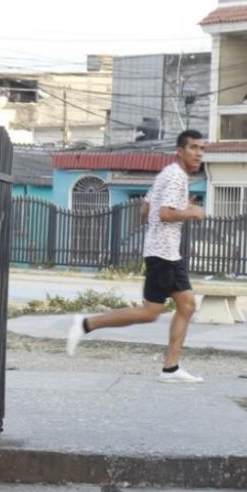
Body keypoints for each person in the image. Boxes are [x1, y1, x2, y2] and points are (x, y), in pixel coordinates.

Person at [65, 130, 207, 384]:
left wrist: (173, 217)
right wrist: (192, 212)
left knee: (186, 306)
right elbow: (164, 213)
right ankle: (86, 324)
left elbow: (145, 209)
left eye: (202, 148)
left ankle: (171, 368)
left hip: (166, 252)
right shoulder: (176, 177)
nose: (198, 153)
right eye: (193, 147)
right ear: (180, 151)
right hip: (163, 254)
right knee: (151, 312)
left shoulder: (166, 174)